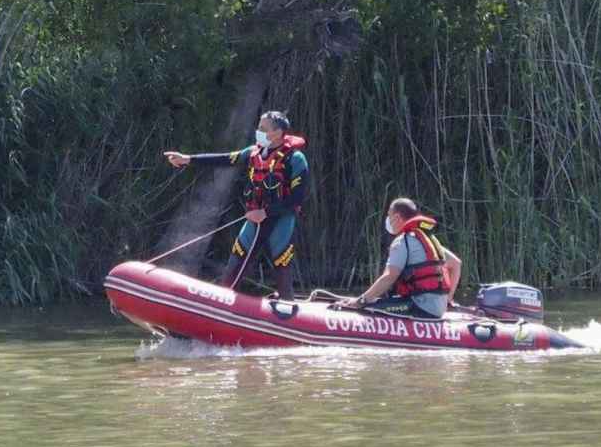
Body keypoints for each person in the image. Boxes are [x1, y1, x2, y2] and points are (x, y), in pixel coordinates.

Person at [163, 111, 309, 300]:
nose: (258, 131)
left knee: (281, 264)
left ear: (278, 132)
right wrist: (188, 159)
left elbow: (297, 199)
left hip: (279, 220)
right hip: (254, 220)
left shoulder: (296, 159)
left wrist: (265, 212)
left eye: (263, 128)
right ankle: (221, 305)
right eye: (259, 127)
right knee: (236, 260)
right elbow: (224, 158)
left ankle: (289, 309)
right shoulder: (253, 153)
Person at [336, 198, 461, 318]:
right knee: (380, 302)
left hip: (420, 307)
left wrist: (361, 301)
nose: (388, 220)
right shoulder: (429, 240)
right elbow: (456, 263)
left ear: (397, 217)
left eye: (389, 216)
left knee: (368, 308)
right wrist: (447, 300)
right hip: (436, 309)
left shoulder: (403, 241)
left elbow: (390, 276)